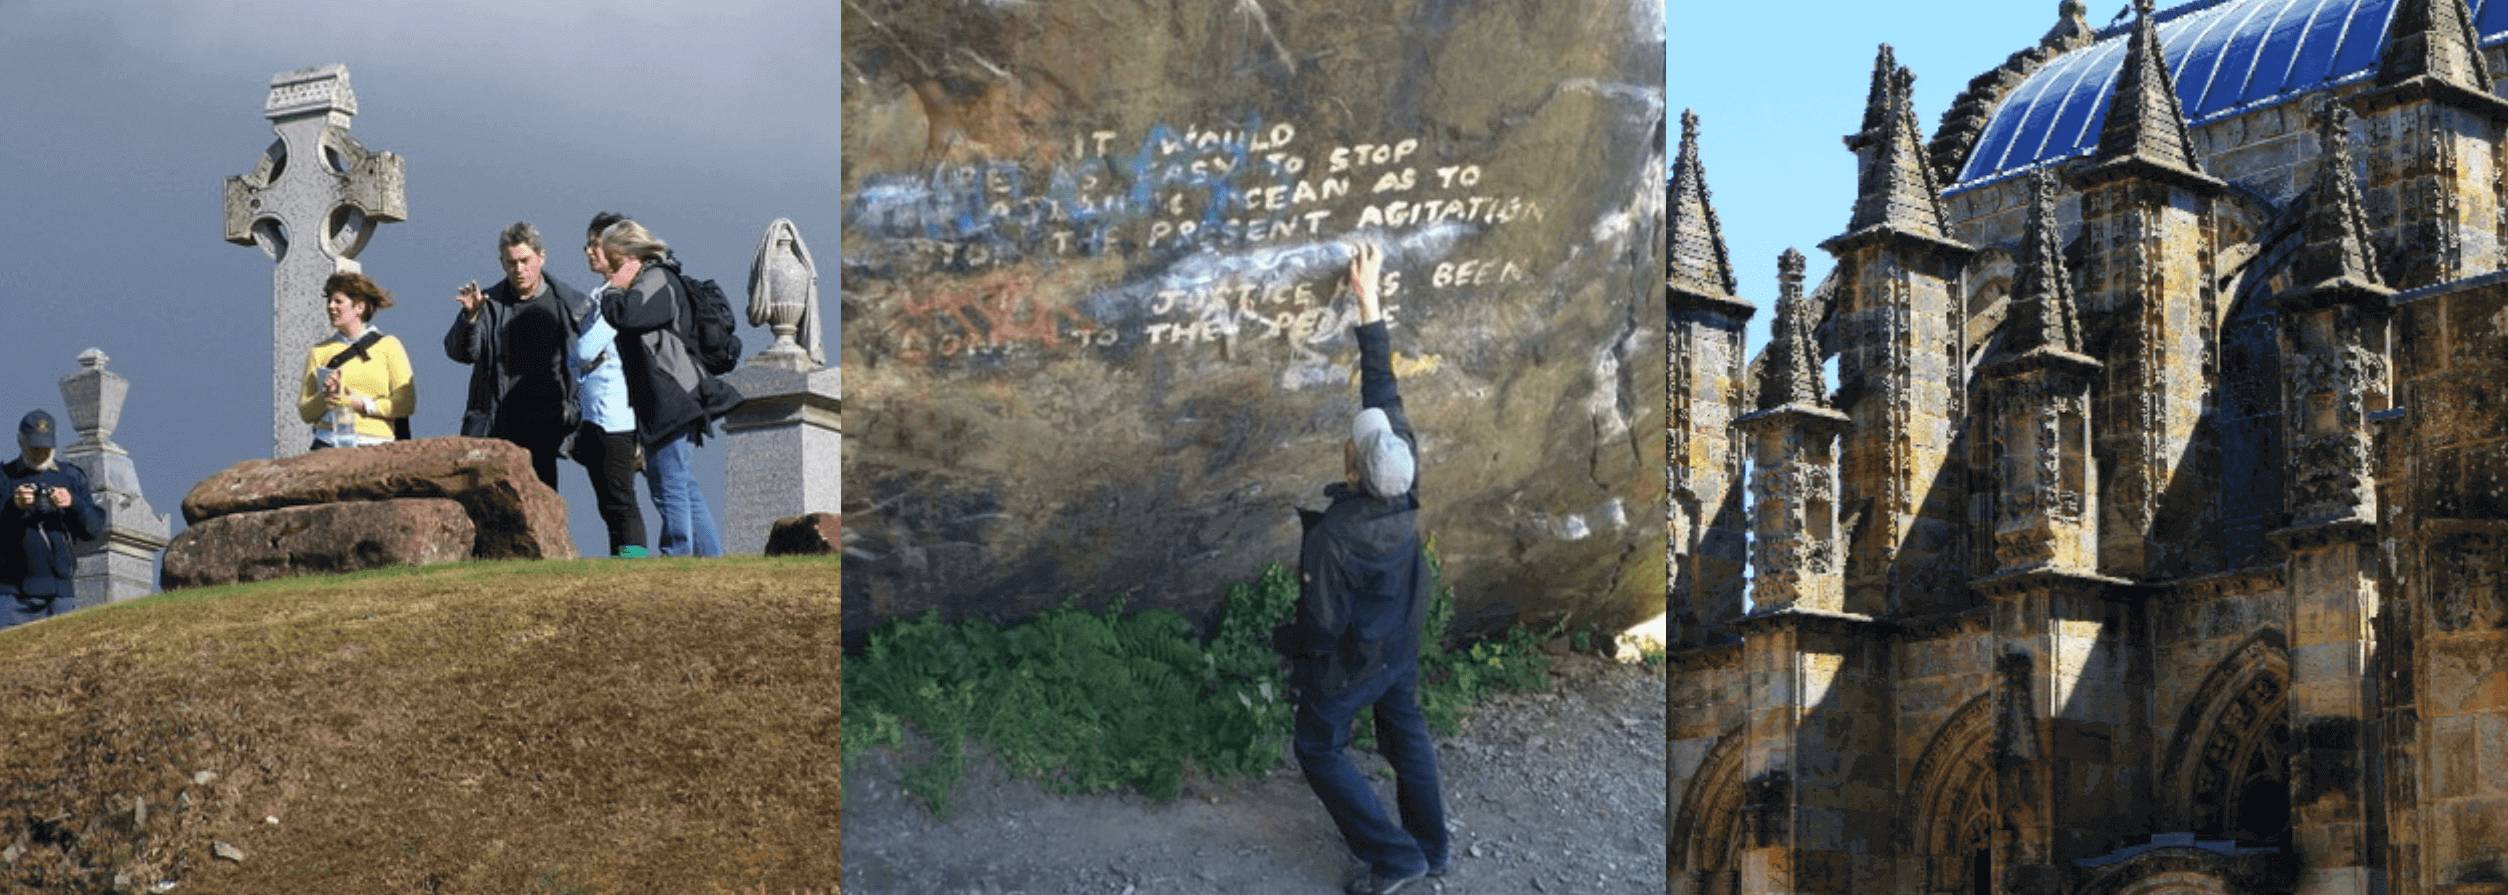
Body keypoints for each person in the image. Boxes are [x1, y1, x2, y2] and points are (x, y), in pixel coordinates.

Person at [1278, 243, 1448, 895]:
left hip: (1359, 656)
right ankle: (1431, 850)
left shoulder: (1337, 536)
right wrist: (1367, 298)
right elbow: (1384, 382)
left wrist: (1283, 645)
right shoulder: (1403, 481)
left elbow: (1320, 629)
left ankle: (1397, 859)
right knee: (1405, 734)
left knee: (1318, 747)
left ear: (1351, 466)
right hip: (1400, 639)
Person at [597, 219, 726, 557]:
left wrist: (613, 290)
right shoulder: (652, 280)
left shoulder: (657, 280)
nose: (610, 272)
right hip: (663, 401)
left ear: (632, 254)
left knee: (670, 484)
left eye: (615, 262)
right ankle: (712, 561)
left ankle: (676, 555)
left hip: (673, 398)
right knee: (682, 484)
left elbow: (626, 316)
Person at [446, 222, 588, 491]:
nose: (519, 269)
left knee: (542, 510)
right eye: (512, 263)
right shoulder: (487, 304)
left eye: (525, 260)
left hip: (548, 427)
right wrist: (471, 318)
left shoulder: (571, 305)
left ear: (541, 257)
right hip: (497, 425)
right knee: (487, 508)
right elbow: (462, 353)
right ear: (502, 264)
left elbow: (590, 365)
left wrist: (572, 411)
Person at [573, 211, 647, 557]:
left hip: (615, 415)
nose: (589, 252)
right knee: (608, 505)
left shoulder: (615, 297)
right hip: (597, 414)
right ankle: (621, 565)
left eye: (595, 245)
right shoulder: (601, 294)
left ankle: (634, 565)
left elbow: (586, 348)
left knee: (620, 501)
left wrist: (581, 356)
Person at [0, 410, 104, 624]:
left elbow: (93, 529)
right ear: (21, 442)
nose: (39, 453)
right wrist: (14, 506)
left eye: (44, 447)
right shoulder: (5, 477)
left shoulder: (71, 477)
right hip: (12, 597)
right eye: (34, 446)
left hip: (60, 596)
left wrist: (73, 503)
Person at [298, 271, 416, 450]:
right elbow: (306, 411)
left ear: (359, 307)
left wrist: (362, 404)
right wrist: (326, 399)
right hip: (328, 442)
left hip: (376, 443)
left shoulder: (389, 346)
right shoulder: (318, 352)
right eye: (329, 301)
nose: (330, 306)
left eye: (338, 301)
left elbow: (406, 403)